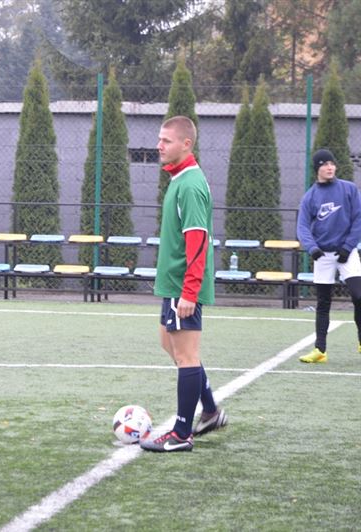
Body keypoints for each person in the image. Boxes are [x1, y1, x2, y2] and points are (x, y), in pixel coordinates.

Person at [140, 116, 227, 453]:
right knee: (170, 345)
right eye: (159, 139)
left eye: (166, 140)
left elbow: (198, 241)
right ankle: (210, 411)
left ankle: (180, 434)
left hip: (182, 287)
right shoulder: (179, 179)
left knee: (187, 355)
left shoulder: (190, 185)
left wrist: (189, 292)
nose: (159, 146)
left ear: (186, 144)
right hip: (174, 285)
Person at [296, 148, 361, 363]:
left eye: (332, 163)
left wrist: (347, 247)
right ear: (317, 169)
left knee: (359, 296)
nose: (330, 167)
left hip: (347, 253)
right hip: (323, 255)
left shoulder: (349, 189)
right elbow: (302, 227)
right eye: (325, 164)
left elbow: (358, 219)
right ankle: (320, 350)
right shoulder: (310, 197)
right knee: (323, 303)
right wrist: (312, 249)